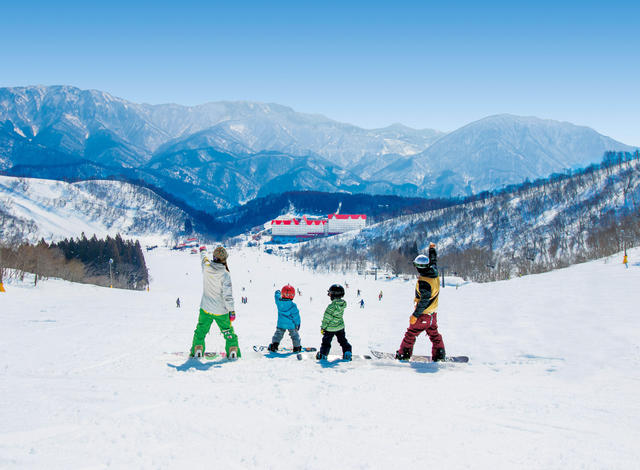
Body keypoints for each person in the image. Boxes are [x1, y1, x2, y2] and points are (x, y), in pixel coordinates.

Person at [396, 243, 446, 362]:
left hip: (423, 314)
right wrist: (432, 249)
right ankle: (439, 354)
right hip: (432, 314)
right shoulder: (434, 271)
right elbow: (434, 261)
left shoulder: (424, 282)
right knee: (434, 335)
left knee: (411, 334)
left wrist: (415, 315)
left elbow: (424, 300)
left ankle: (404, 354)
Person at [190, 246, 240, 359]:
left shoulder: (206, 267)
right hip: (221, 311)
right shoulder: (225, 274)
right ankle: (233, 350)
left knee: (200, 331)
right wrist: (231, 311)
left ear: (214, 257)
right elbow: (228, 296)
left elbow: (204, 258)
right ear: (224, 259)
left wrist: (203, 250)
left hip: (206, 308)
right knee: (228, 332)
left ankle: (198, 348)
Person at [316, 284, 352, 361]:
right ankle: (347, 352)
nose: (329, 296)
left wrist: (323, 327)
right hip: (340, 327)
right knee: (343, 341)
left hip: (330, 328)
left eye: (330, 294)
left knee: (326, 342)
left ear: (333, 295)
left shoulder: (331, 307)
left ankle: (323, 355)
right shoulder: (342, 304)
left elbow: (326, 318)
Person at [268, 284, 302, 352]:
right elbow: (296, 316)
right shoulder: (293, 305)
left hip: (281, 323)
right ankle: (297, 347)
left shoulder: (279, 302)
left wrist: (278, 291)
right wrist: (297, 324)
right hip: (291, 324)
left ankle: (274, 345)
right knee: (294, 336)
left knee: (278, 334)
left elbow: (276, 295)